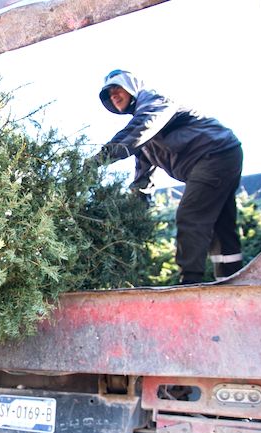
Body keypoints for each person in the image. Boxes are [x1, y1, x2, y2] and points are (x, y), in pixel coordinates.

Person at [95, 69, 244, 284]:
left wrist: (98, 159)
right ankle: (232, 280)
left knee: (190, 216)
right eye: (108, 94)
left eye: (117, 88)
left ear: (132, 87)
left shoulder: (154, 101)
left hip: (215, 153)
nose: (114, 95)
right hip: (222, 156)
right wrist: (134, 216)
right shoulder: (146, 142)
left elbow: (140, 127)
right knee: (220, 225)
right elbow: (143, 181)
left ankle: (190, 283)